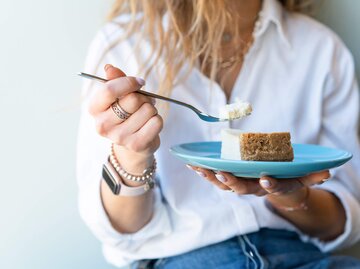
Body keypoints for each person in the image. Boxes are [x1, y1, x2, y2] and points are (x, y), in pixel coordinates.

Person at [77, 0, 360, 268]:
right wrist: (132, 154)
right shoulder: (124, 45)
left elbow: (341, 223)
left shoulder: (322, 50)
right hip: (182, 259)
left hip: (301, 256)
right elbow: (120, 229)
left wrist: (287, 193)